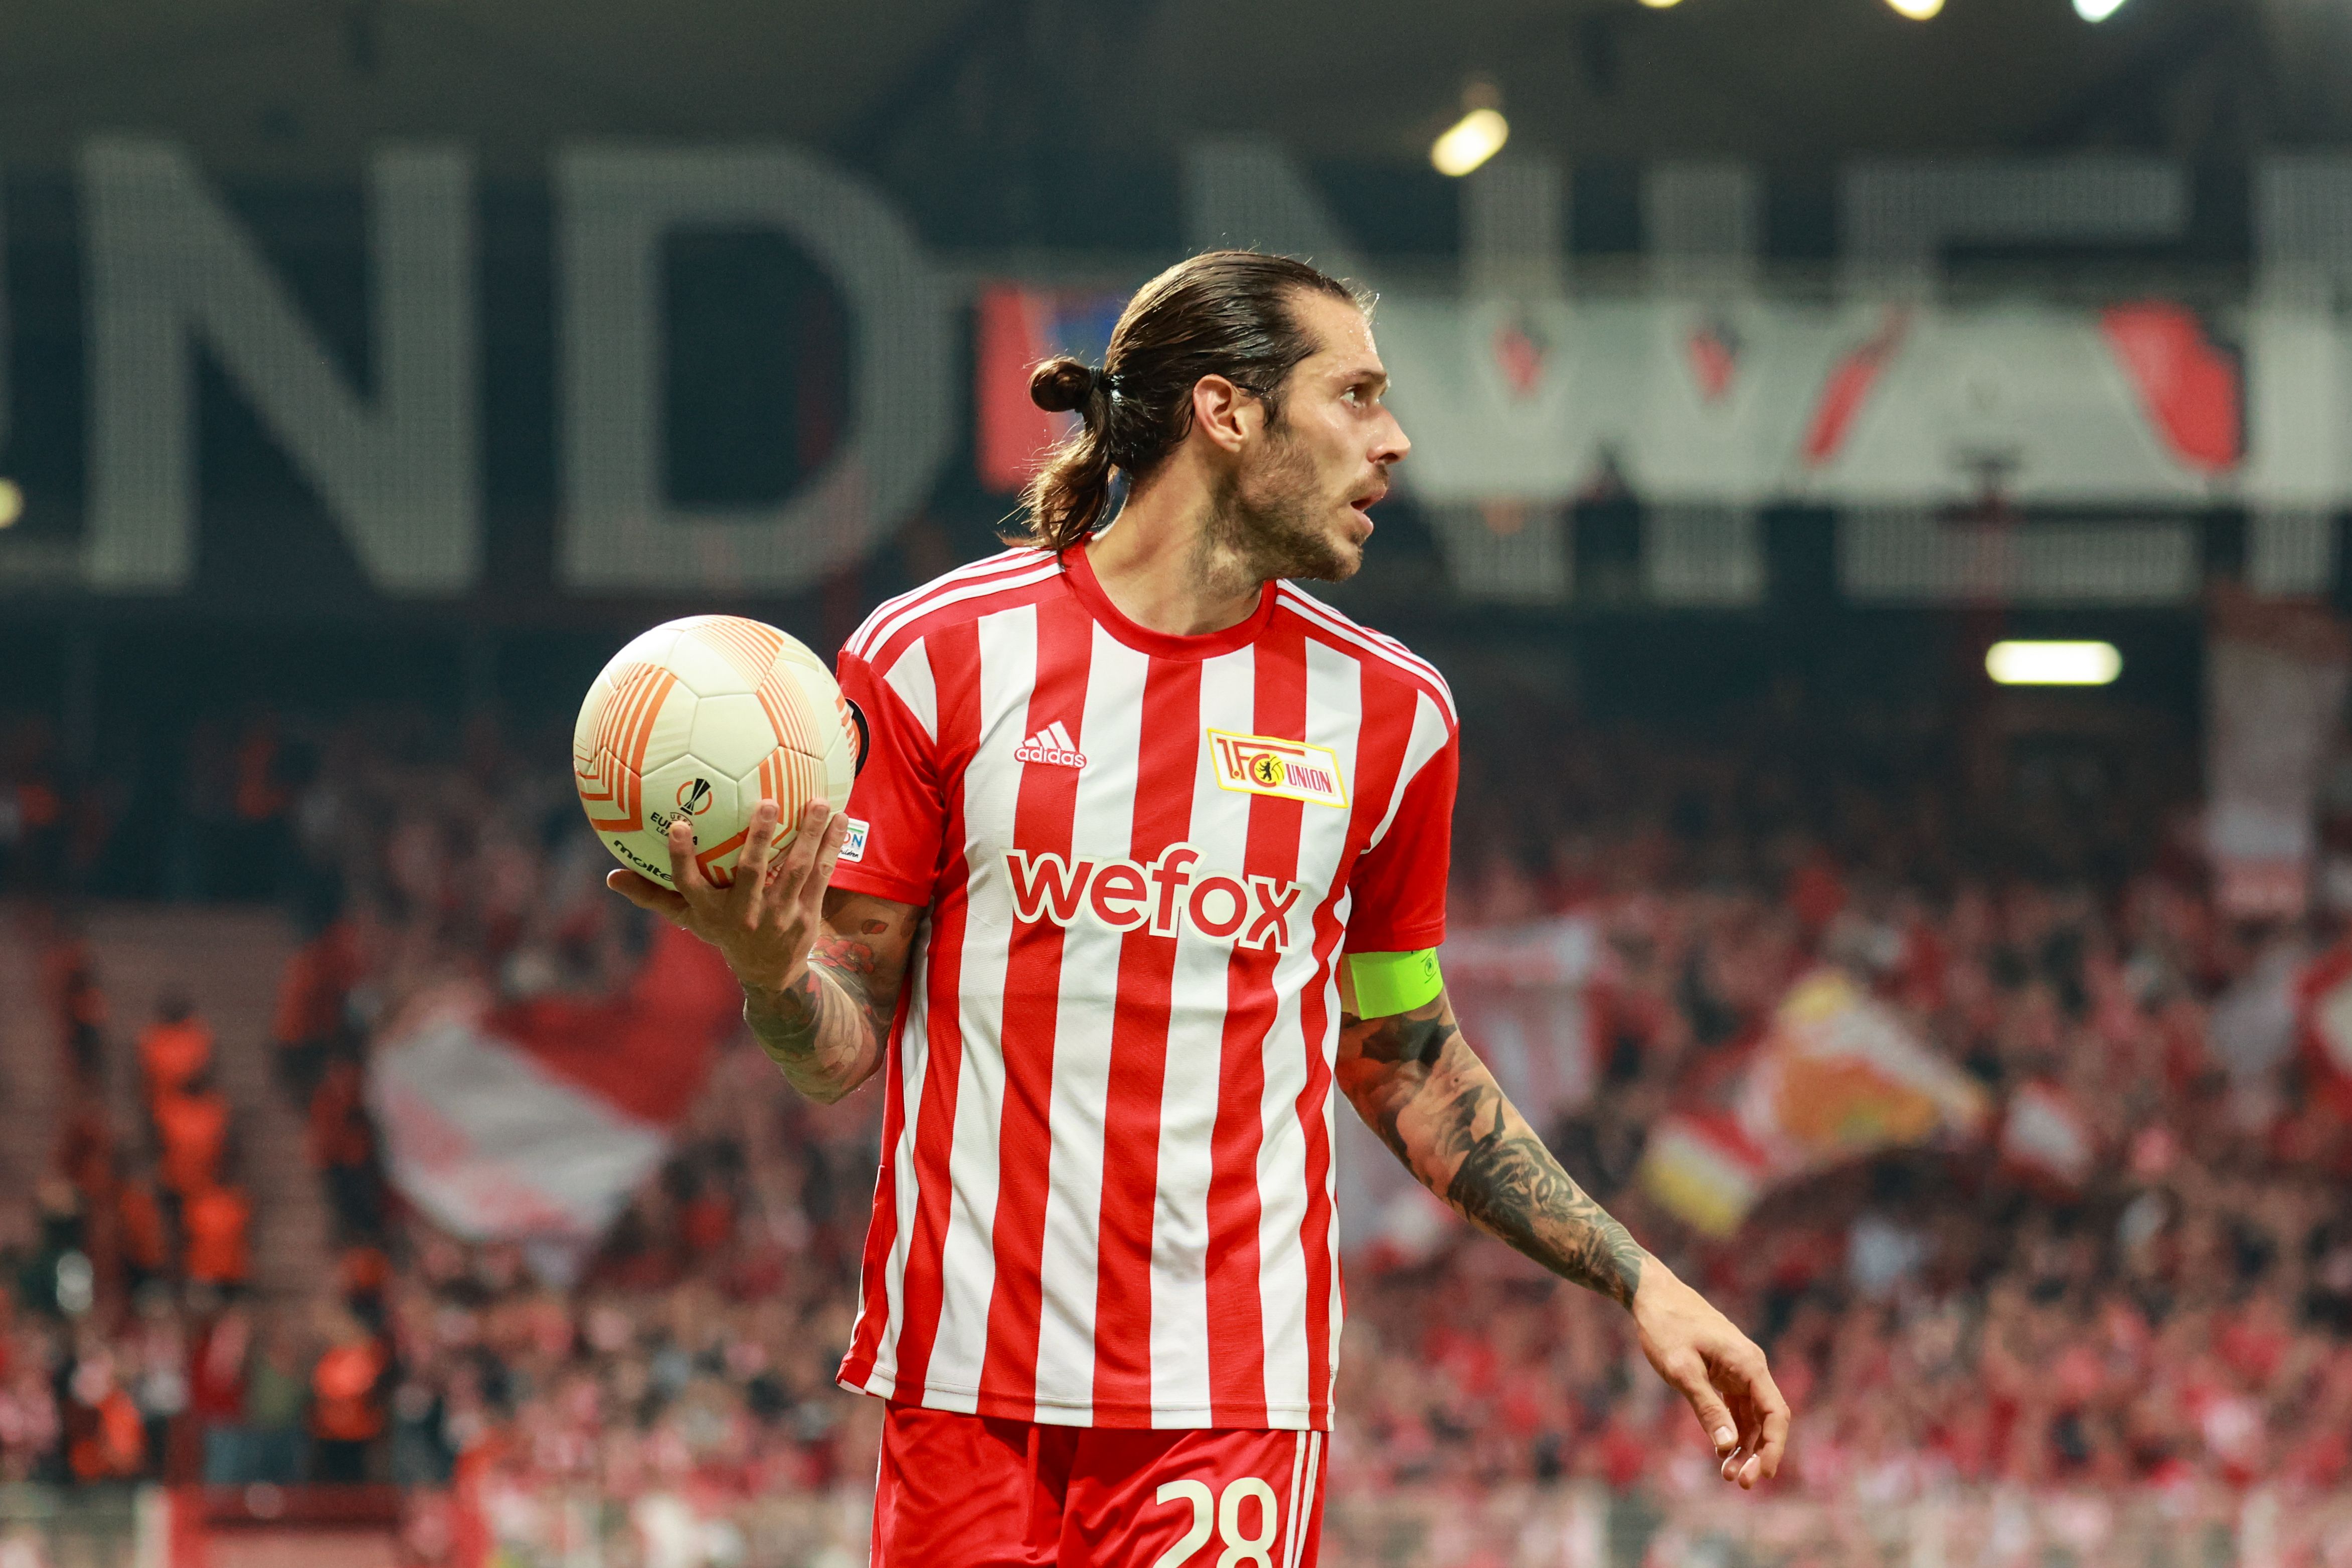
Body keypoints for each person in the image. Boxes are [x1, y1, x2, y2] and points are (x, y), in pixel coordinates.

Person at [608, 250, 1790, 1566]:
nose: (1393, 442)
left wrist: (1641, 1279)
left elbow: (1400, 1055)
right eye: (1355, 395)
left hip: (1225, 1407)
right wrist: (773, 979)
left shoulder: (1392, 718)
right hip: (965, 1398)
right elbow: (844, 1049)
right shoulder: (934, 654)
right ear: (1227, 414)